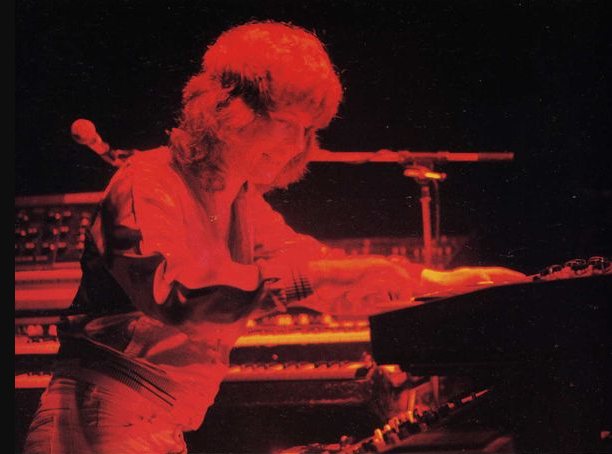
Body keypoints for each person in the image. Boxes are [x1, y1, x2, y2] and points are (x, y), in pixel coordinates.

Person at [23, 21, 526, 454]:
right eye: (288, 123)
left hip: (153, 422)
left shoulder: (241, 203)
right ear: (227, 109)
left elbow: (321, 272)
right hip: (97, 417)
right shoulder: (148, 180)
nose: (297, 145)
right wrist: (311, 279)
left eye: (309, 130)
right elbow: (176, 293)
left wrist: (447, 284)